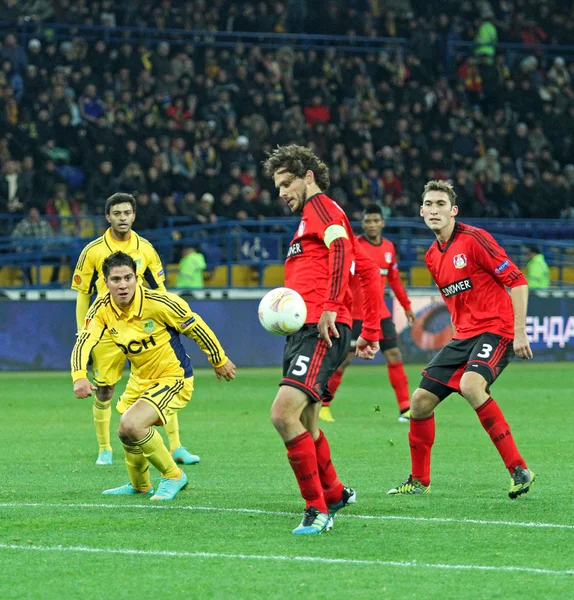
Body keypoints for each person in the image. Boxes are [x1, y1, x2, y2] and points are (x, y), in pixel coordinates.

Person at [263, 145, 384, 535]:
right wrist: (371, 331)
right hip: (308, 327)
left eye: (286, 183)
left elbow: (343, 249)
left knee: (283, 414)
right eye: (277, 186)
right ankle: (331, 492)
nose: (281, 192)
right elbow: (365, 269)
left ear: (309, 176)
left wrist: (332, 304)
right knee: (307, 421)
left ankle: (316, 509)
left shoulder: (322, 209)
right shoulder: (310, 220)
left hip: (320, 326)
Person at [388, 180, 535, 499]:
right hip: (464, 337)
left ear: (454, 210)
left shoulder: (474, 239)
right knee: (419, 402)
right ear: (421, 211)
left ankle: (519, 469)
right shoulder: (431, 256)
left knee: (471, 385)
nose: (434, 209)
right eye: (429, 204)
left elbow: (518, 281)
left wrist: (520, 331)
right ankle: (419, 481)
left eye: (441, 204)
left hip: (496, 328)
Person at [71, 252, 236, 499]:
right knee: (125, 432)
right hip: (140, 379)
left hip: (174, 377)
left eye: (128, 277)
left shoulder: (160, 303)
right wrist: (79, 376)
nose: (123, 284)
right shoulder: (101, 309)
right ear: (106, 282)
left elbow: (197, 327)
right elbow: (84, 341)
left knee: (132, 424)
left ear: (137, 277)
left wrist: (218, 359)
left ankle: (174, 475)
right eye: (116, 279)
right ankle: (140, 485)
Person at [72, 193, 199, 467]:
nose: (122, 218)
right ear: (108, 217)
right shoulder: (93, 251)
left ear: (134, 215)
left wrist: (168, 317)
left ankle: (176, 446)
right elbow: (83, 293)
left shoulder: (146, 248)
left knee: (161, 380)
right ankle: (104, 448)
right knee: (104, 389)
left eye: (127, 212)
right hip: (107, 327)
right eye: (117, 213)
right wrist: (83, 330)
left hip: (144, 327)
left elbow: (159, 287)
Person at [321, 204, 416, 423]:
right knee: (345, 359)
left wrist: (407, 306)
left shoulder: (389, 248)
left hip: (380, 314)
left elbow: (394, 280)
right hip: (355, 314)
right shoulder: (353, 246)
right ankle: (324, 405)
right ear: (362, 223)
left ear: (382, 222)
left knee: (394, 355)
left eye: (376, 220)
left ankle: (405, 409)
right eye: (368, 221)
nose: (372, 225)